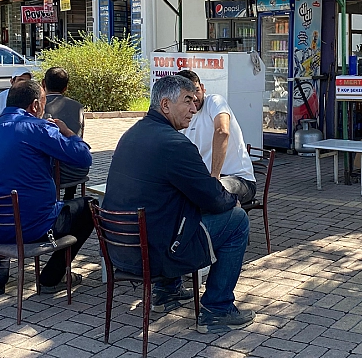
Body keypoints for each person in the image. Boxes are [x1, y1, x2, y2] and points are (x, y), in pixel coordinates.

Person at [102, 75, 255, 334]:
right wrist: (233, 200)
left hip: (120, 252)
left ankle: (165, 293)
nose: (194, 109)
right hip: (155, 255)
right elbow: (214, 198)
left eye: (195, 102)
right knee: (237, 220)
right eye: (188, 101)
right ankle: (216, 309)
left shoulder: (131, 134)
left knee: (172, 210)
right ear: (165, 105)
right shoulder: (175, 144)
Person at [0, 80, 95, 296]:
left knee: (6, 197)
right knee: (89, 207)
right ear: (36, 105)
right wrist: (67, 132)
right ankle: (50, 278)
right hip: (35, 227)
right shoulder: (38, 128)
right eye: (45, 102)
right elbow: (83, 159)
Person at [177, 70, 256, 205]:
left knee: (208, 195)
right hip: (205, 181)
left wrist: (214, 177)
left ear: (203, 88)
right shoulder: (182, 118)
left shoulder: (215, 102)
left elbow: (222, 131)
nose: (195, 97)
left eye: (196, 90)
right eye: (188, 96)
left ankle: (232, 215)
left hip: (239, 180)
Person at [42, 67, 90, 200]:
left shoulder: (38, 107)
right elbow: (79, 137)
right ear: (65, 88)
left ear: (43, 83)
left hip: (47, 171)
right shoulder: (77, 107)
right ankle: (70, 196)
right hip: (76, 170)